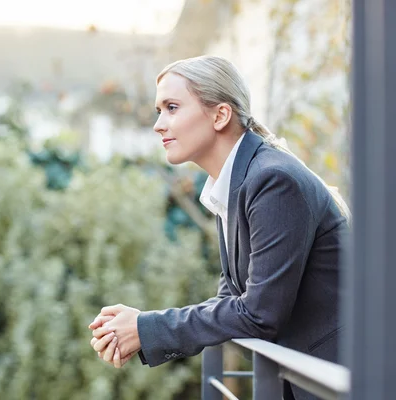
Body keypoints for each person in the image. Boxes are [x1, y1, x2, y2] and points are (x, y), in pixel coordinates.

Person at [88, 55, 349, 400]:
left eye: (172, 107)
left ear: (220, 115)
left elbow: (258, 313)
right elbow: (231, 301)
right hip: (301, 379)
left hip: (338, 381)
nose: (159, 125)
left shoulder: (272, 180)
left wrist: (145, 328)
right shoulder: (233, 184)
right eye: (158, 111)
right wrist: (141, 327)